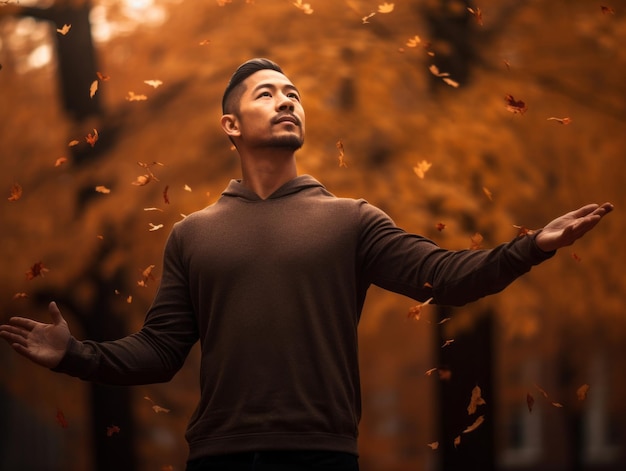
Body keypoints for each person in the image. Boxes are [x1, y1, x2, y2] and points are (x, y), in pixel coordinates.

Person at [0, 58, 614, 471]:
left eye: (293, 94)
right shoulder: (192, 235)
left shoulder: (352, 220)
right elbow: (159, 354)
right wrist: (74, 354)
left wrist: (532, 246)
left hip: (323, 453)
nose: (286, 100)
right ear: (231, 125)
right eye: (266, 94)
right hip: (219, 454)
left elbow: (447, 278)